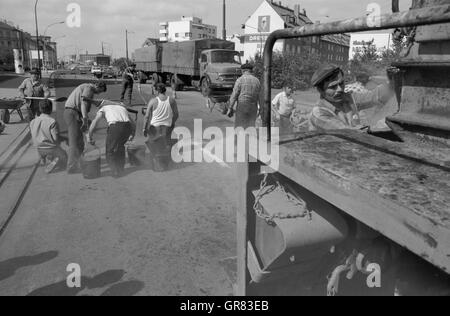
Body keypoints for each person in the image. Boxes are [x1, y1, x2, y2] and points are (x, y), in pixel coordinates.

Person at [309, 64, 395, 131]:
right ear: (320, 90)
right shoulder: (319, 113)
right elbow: (348, 132)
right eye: (333, 87)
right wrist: (379, 127)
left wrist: (393, 82)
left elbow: (374, 97)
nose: (340, 89)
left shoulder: (349, 98)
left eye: (341, 83)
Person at [64, 81, 107, 174]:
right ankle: (71, 166)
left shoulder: (88, 89)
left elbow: (83, 106)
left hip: (75, 113)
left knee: (80, 142)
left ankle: (80, 162)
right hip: (72, 113)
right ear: (96, 85)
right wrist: (85, 118)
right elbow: (83, 103)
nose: (99, 93)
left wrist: (86, 122)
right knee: (74, 141)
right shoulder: (89, 88)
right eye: (100, 90)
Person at [87, 101, 136, 178]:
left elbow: (95, 122)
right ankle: (120, 169)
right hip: (127, 127)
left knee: (110, 151)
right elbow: (132, 123)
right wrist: (133, 134)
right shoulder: (121, 107)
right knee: (120, 146)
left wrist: (89, 136)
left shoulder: (103, 108)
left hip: (115, 127)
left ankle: (115, 171)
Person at [30, 99, 67, 174]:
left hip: (38, 148)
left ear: (40, 109)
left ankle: (43, 157)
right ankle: (55, 159)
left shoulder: (33, 121)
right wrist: (63, 139)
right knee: (64, 155)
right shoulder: (52, 121)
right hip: (51, 148)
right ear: (51, 109)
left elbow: (33, 135)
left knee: (45, 150)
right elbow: (55, 139)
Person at [143, 83, 179, 150]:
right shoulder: (172, 100)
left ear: (157, 91)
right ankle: (169, 152)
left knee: (151, 143)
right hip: (167, 127)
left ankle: (152, 156)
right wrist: (172, 123)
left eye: (154, 90)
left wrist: (144, 129)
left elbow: (146, 116)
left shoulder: (153, 101)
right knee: (167, 141)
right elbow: (176, 114)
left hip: (154, 128)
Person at [228, 63, 261, 129]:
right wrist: (260, 109)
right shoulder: (257, 81)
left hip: (242, 106)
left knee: (239, 126)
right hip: (253, 107)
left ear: (243, 71)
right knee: (251, 126)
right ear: (251, 71)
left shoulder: (240, 80)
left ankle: (238, 139)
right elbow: (260, 96)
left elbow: (234, 95)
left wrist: (230, 108)